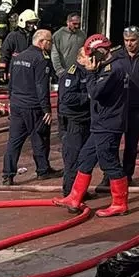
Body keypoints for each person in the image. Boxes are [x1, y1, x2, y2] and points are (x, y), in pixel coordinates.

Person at [55, 34, 132, 218]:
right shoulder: (110, 66)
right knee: (85, 157)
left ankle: (120, 203)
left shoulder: (112, 69)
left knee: (109, 162)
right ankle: (74, 197)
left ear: (101, 52)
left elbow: (95, 92)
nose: (90, 59)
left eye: (92, 54)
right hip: (100, 122)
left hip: (108, 123)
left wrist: (90, 73)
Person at [98, 26, 139, 195]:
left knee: (131, 144)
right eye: (126, 40)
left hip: (136, 106)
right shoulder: (116, 54)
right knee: (112, 142)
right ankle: (109, 175)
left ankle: (127, 174)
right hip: (116, 106)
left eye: (132, 40)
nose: (129, 44)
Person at [1, 29, 59, 185]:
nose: (51, 44)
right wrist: (47, 109)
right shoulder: (41, 59)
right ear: (41, 42)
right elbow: (41, 86)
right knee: (39, 138)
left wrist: (11, 101)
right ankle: (43, 170)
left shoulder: (18, 57)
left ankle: (8, 175)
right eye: (49, 41)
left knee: (14, 141)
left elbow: (11, 84)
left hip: (17, 105)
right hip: (33, 106)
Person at [57, 46, 94, 197]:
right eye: (88, 57)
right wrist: (88, 96)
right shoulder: (72, 73)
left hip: (86, 120)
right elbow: (66, 98)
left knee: (84, 158)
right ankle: (69, 193)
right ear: (79, 58)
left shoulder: (90, 72)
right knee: (72, 158)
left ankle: (80, 191)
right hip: (73, 121)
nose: (92, 59)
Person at [0, 9, 39, 85]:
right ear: (23, 22)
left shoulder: (36, 36)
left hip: (30, 71)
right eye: (29, 23)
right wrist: (1, 71)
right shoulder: (13, 36)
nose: (32, 25)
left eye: (34, 23)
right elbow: (5, 54)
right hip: (15, 71)